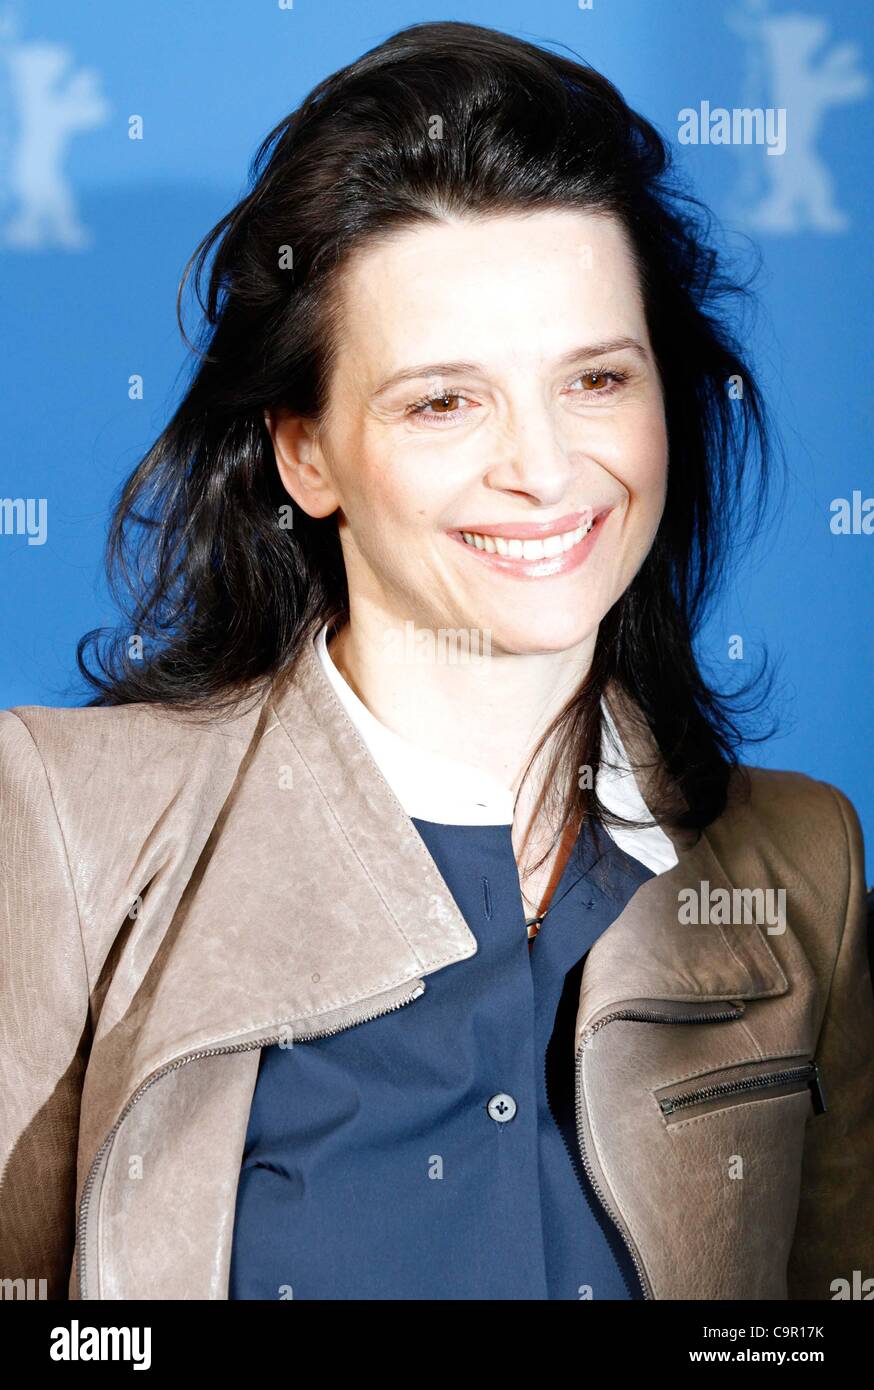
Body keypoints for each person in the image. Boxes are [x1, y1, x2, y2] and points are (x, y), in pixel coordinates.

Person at [2, 20, 872, 1302]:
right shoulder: (68, 830)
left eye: (594, 378)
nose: (543, 467)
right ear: (306, 453)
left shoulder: (803, 864)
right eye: (442, 400)